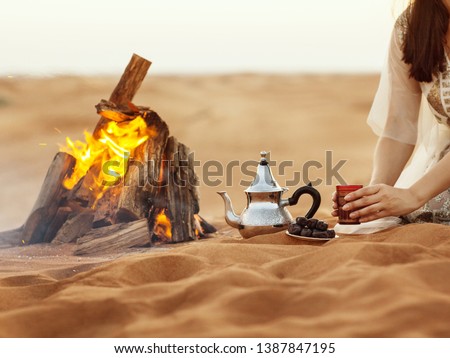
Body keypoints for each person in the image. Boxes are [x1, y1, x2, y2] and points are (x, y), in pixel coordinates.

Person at [332, 0, 450, 224]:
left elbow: (414, 196)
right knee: (417, 216)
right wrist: (372, 198)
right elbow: (400, 125)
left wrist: (413, 195)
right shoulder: (411, 27)